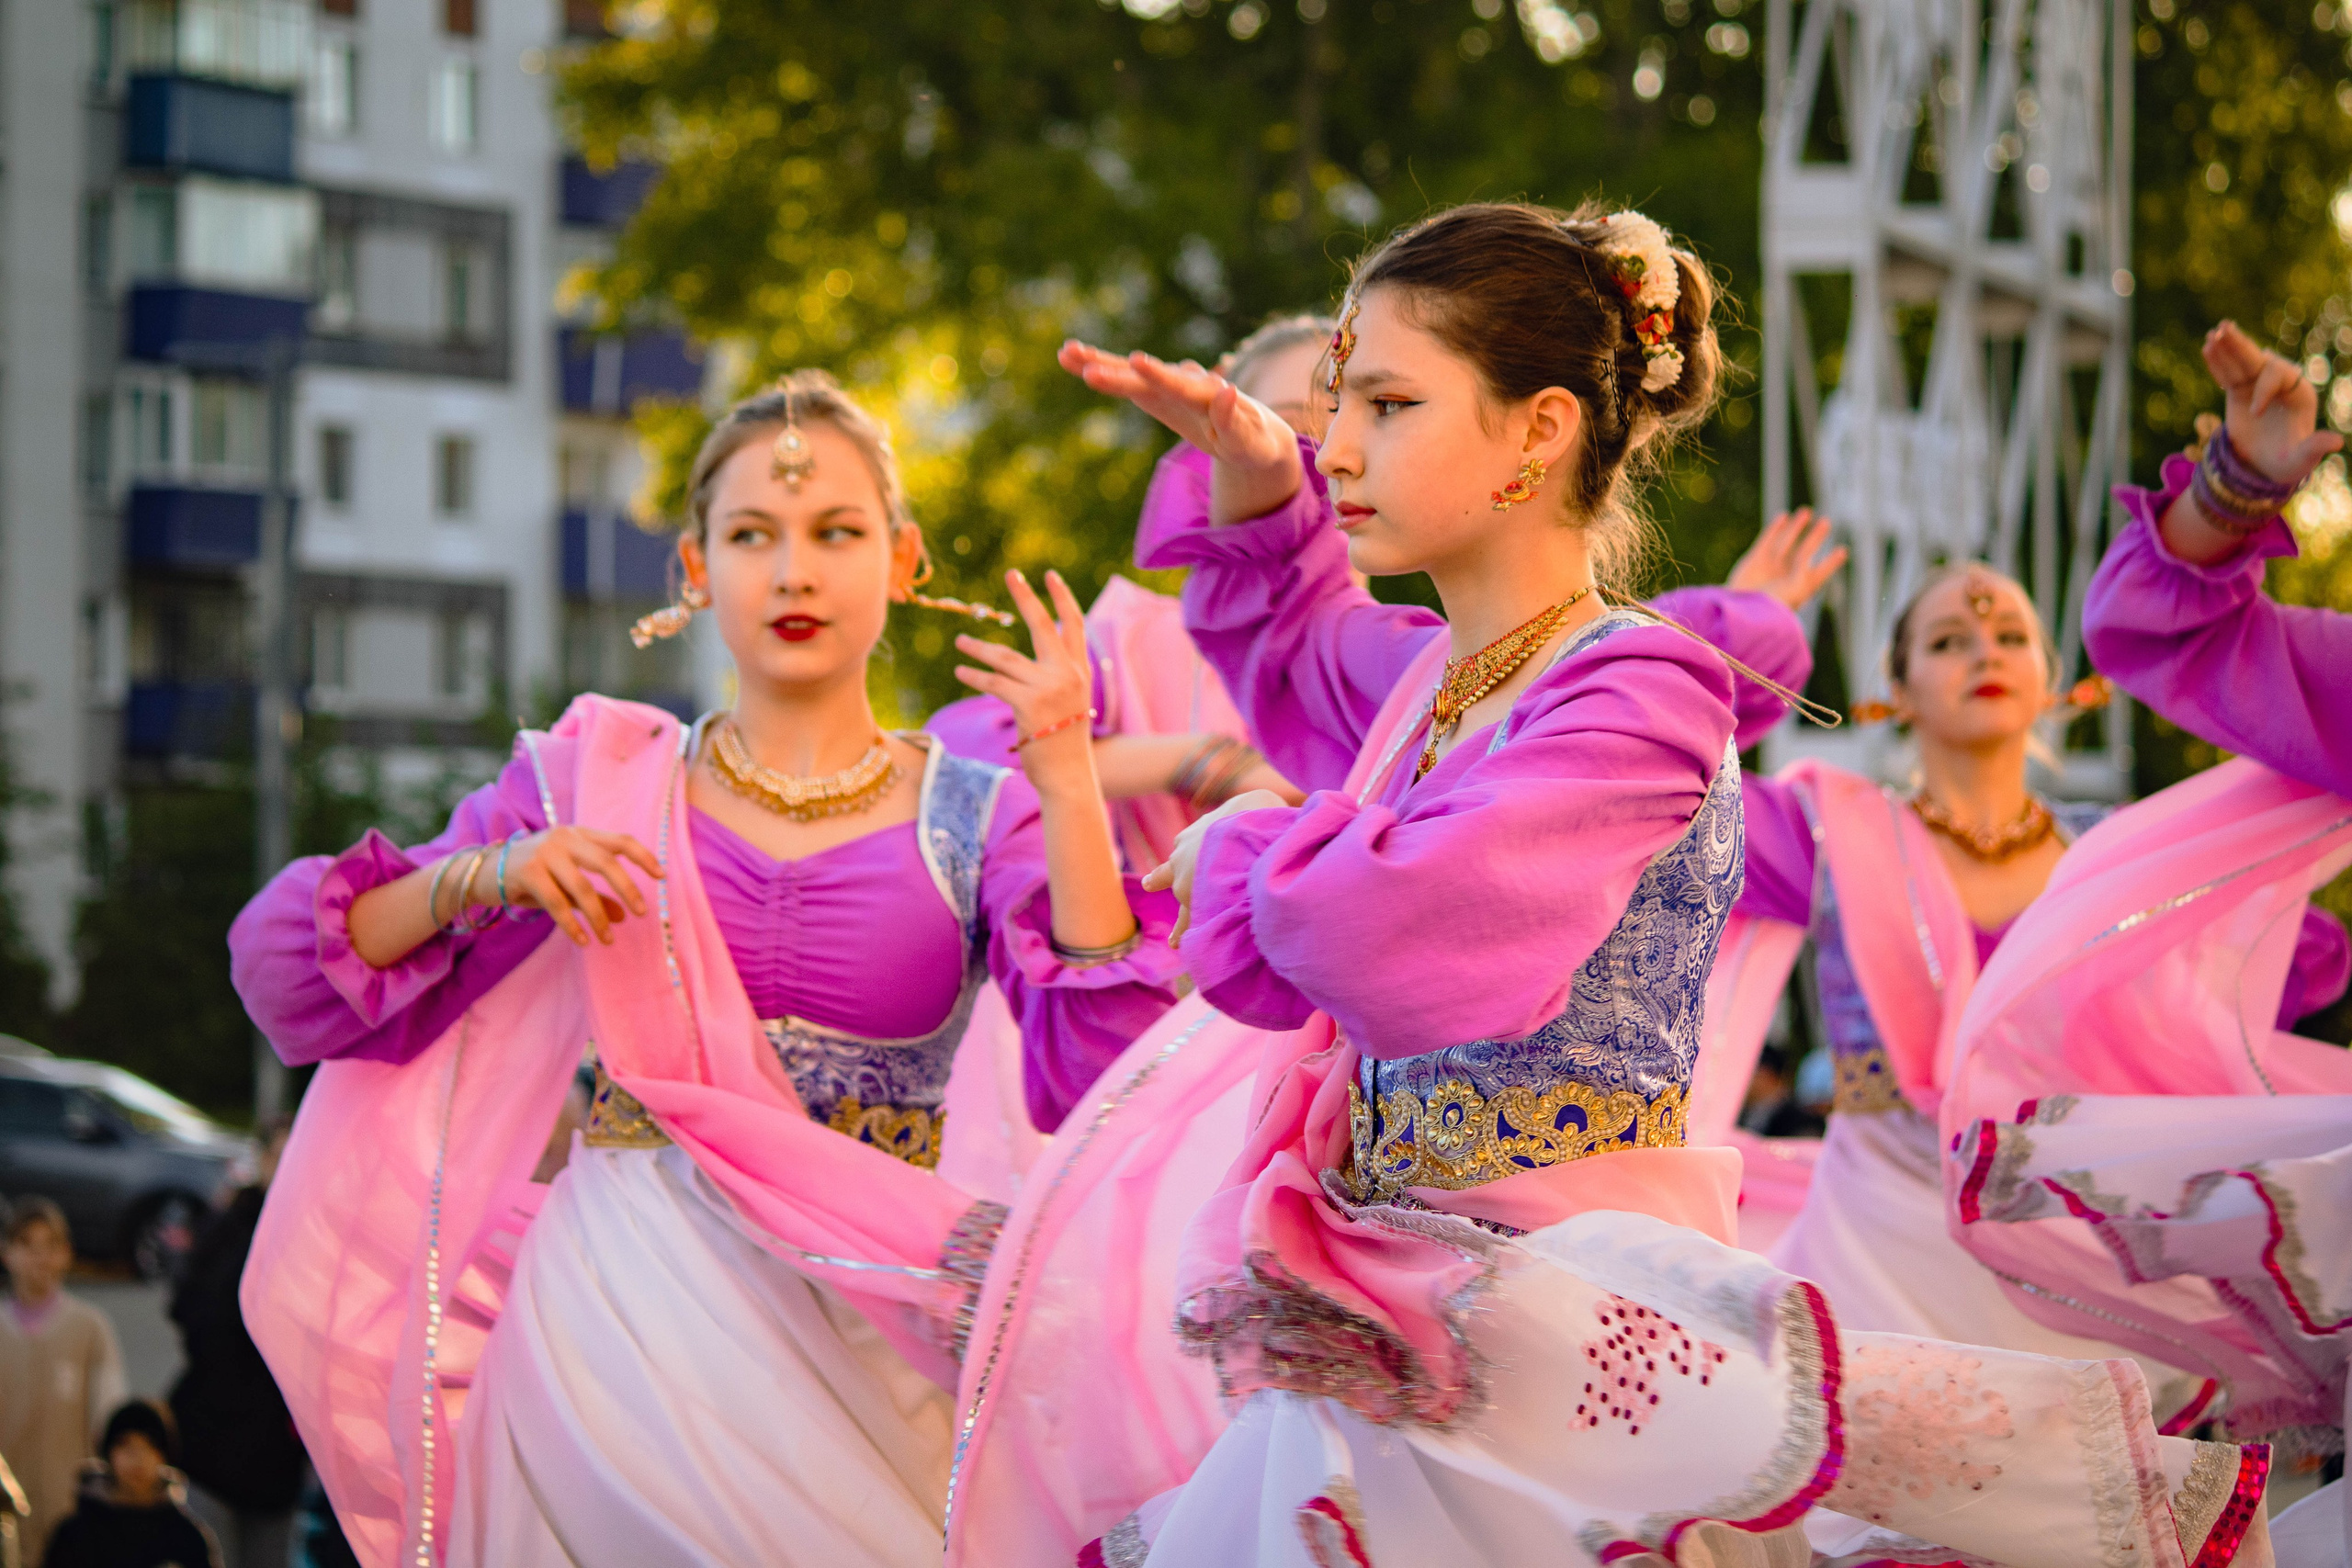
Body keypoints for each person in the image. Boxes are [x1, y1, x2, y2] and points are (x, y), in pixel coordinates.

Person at [1048, 200, 2269, 1567]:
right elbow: (1294, 642)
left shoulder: (1638, 691)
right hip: (1410, 1319)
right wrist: (1256, 471)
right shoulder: (1439, 686)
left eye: (1388, 402)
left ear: (1539, 430)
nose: (1338, 443)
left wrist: (1241, 844)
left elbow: (1398, 926)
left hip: (1568, 1312)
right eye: (1340, 403)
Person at [229, 370, 1179, 1566]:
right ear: (693, 569)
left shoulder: (981, 813)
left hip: (874, 1320)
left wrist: (1070, 773)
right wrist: (497, 870)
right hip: (624, 1312)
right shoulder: (599, 783)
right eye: (752, 535)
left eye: (837, 531)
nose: (794, 570)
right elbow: (300, 972)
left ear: (904, 557)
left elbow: (1105, 1051)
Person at [1942, 320, 2352, 1564]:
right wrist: (2235, 485)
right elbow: (2163, 632)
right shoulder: (1839, 818)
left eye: (1999, 635)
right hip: (1935, 1169)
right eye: (1949, 640)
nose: (1981, 656)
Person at [166, 1121, 301, 1568]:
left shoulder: (317, 1231)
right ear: (261, 1161)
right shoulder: (227, 1227)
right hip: (214, 1441)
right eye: (279, 1155)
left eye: (299, 1152)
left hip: (277, 1457)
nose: (288, 1167)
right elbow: (191, 1312)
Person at [0, 1200, 126, 1565]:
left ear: (66, 1254)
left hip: (70, 1507)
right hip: (6, 1513)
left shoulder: (90, 1328)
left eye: (50, 1245)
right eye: (26, 1244)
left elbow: (109, 1415)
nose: (39, 1257)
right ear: (7, 1253)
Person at [39, 1401, 220, 1568]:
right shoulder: (75, 1535)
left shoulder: (186, 1539)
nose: (138, 1458)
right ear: (108, 1453)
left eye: (149, 1446)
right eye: (126, 1446)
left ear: (164, 1456)